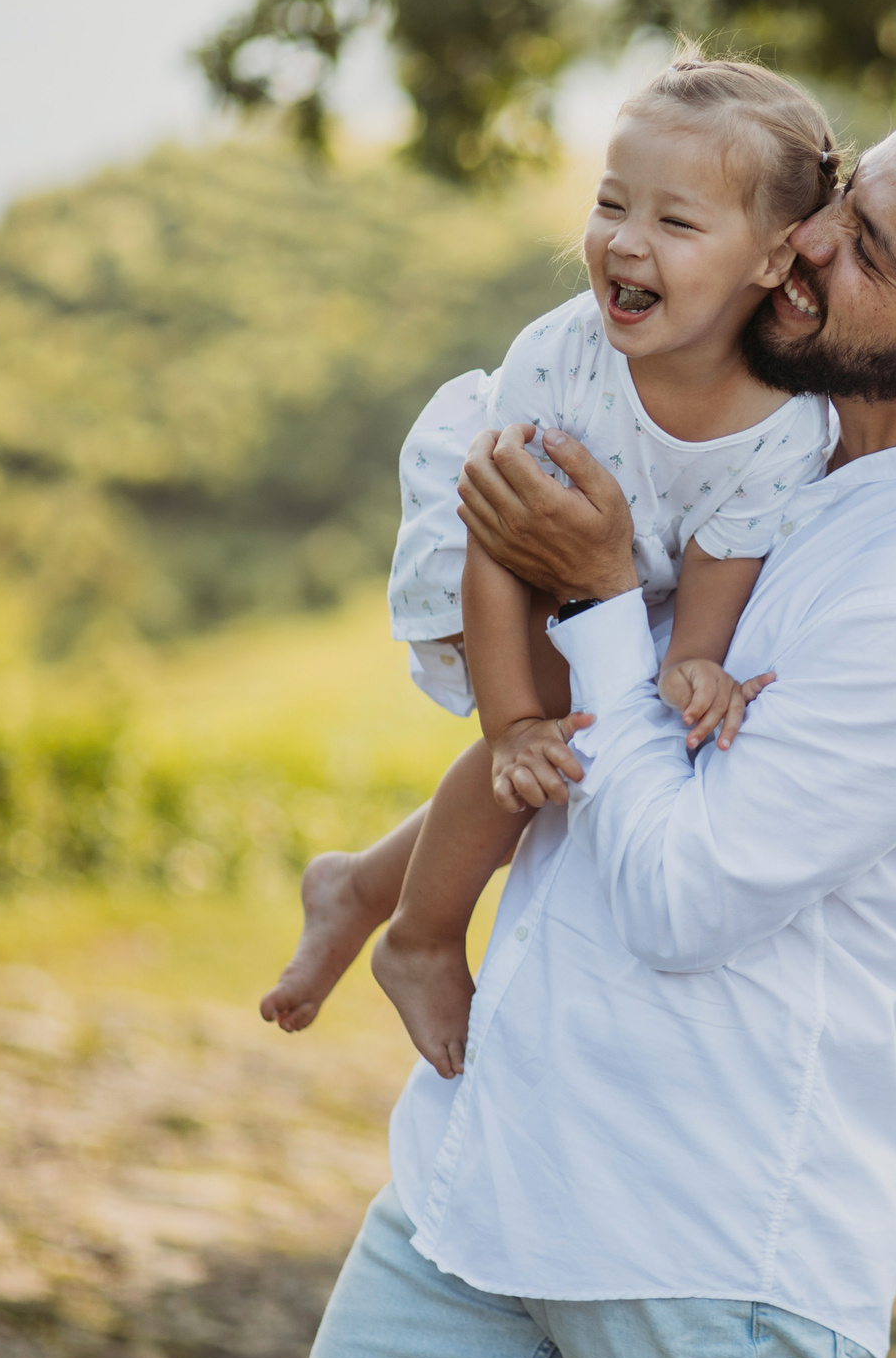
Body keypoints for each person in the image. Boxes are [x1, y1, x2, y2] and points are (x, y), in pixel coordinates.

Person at [292, 81, 896, 1358]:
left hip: (703, 1262)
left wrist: (591, 598)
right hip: (480, 1191)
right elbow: (586, 741)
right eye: (846, 196)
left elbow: (683, 896)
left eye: (870, 248)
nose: (809, 240)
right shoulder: (763, 405)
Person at [258, 55, 842, 1078]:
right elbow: (502, 538)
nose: (624, 239)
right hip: (488, 542)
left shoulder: (788, 426)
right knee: (552, 745)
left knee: (603, 731)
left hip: (609, 566)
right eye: (611, 203)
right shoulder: (565, 358)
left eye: (675, 222)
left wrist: (694, 661)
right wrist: (507, 721)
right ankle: (420, 936)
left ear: (773, 259)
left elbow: (723, 552)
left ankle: (359, 888)